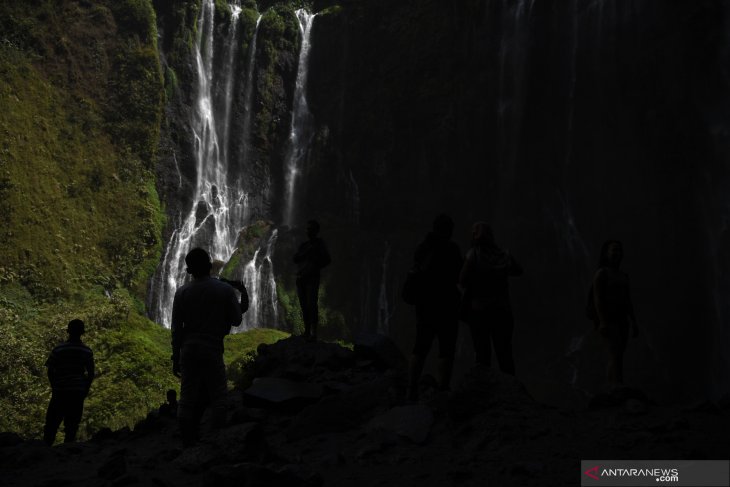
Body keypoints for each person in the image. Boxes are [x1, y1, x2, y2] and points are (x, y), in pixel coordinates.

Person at [171, 248, 246, 446]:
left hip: (188, 349)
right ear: (210, 266)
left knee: (187, 395)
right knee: (219, 394)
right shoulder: (224, 290)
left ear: (189, 270)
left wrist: (174, 356)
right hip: (212, 347)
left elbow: (176, 328)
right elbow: (237, 320)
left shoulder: (182, 292)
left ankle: (186, 439)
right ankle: (216, 440)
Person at [407, 214, 462, 400]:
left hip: (425, 304)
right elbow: (459, 275)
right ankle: (443, 389)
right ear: (449, 230)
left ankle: (411, 388)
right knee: (446, 348)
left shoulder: (423, 248)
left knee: (420, 346)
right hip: (447, 305)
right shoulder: (452, 249)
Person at [459, 222, 522, 374]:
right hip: (502, 311)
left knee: (482, 355)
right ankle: (511, 391)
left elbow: (462, 279)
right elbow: (518, 270)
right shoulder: (503, 255)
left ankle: (484, 392)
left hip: (480, 311)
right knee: (505, 355)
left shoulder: (473, 254)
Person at [591, 240, 638, 385]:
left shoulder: (624, 276)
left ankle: (615, 387)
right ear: (606, 253)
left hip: (622, 318)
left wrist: (634, 322)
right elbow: (597, 299)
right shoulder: (601, 274)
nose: (617, 253)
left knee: (619, 355)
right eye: (614, 250)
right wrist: (602, 321)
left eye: (619, 250)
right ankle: (617, 387)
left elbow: (628, 300)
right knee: (615, 354)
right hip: (609, 318)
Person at [43, 319, 95, 445]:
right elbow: (91, 373)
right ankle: (67, 452)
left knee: (52, 424)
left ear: (68, 331)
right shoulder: (87, 351)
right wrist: (85, 389)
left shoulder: (58, 349)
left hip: (60, 391)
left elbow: (50, 370)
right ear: (82, 332)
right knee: (72, 425)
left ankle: (45, 452)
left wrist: (54, 386)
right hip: (77, 392)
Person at [293, 220, 331, 342]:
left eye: (311, 229)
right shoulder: (304, 245)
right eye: (307, 229)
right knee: (304, 306)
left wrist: (315, 266)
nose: (308, 231)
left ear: (316, 231)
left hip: (312, 278)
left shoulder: (320, 244)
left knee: (312, 305)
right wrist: (306, 253)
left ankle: (313, 333)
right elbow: (295, 258)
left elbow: (327, 259)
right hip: (301, 278)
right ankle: (307, 331)